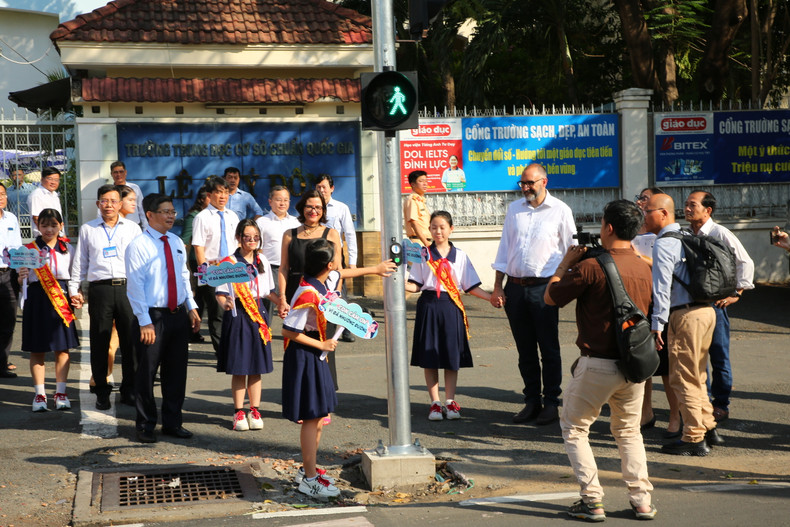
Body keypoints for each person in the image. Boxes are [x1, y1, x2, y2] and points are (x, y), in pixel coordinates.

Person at [544, 200, 656, 522]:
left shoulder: (591, 266)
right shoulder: (643, 266)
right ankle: (642, 501)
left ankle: (592, 500)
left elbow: (551, 297)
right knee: (629, 432)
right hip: (634, 364)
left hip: (597, 363)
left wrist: (564, 265)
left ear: (608, 228)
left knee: (575, 429)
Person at [282, 238, 394, 499]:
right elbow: (289, 330)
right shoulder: (307, 293)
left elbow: (343, 272)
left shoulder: (324, 279)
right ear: (328, 263)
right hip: (306, 355)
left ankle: (308, 470)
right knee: (311, 417)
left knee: (320, 414)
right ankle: (309, 479)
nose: (338, 265)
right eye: (336, 259)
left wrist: (375, 269)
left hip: (318, 354)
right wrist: (321, 342)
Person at [490, 163, 575, 426]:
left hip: (545, 287)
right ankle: (531, 401)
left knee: (548, 348)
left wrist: (559, 284)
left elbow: (572, 251)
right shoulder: (515, 210)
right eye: (522, 183)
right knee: (524, 349)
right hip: (515, 287)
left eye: (530, 183)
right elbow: (505, 249)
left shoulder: (560, 210)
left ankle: (551, 403)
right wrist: (497, 285)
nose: (526, 188)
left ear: (544, 182)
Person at [643, 193, 723, 456]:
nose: (644, 215)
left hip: (685, 316)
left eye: (648, 211)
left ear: (664, 214)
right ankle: (707, 426)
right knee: (697, 375)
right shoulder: (687, 237)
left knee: (682, 379)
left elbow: (661, 289)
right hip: (705, 312)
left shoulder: (665, 243)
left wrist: (658, 324)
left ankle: (693, 438)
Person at [125, 194, 201, 443]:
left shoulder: (177, 241)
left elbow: (183, 277)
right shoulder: (139, 245)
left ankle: (172, 423)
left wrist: (191, 306)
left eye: (173, 212)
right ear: (150, 215)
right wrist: (145, 321)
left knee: (176, 372)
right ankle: (146, 425)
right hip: (152, 317)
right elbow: (134, 287)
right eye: (165, 211)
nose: (170, 216)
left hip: (177, 315)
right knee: (146, 373)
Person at [405, 211, 491, 420]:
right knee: (430, 355)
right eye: (434, 227)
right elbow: (415, 284)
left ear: (451, 229)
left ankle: (450, 402)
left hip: (451, 306)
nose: (438, 231)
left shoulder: (460, 256)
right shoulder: (423, 254)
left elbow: (470, 286)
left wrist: (491, 298)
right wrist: (395, 282)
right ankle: (435, 403)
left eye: (442, 227)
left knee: (451, 356)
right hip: (428, 306)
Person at [70, 184, 142, 410]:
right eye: (104, 201)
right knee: (99, 341)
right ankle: (101, 390)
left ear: (120, 204)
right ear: (97, 204)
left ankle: (130, 390)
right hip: (99, 290)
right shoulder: (88, 229)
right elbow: (80, 262)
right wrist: (74, 289)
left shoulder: (133, 229)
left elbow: (141, 262)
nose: (108, 205)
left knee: (131, 342)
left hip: (128, 289)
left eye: (113, 201)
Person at [684, 190, 754, 423]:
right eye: (686, 204)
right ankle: (702, 401)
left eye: (692, 205)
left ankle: (721, 403)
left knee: (719, 356)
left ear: (708, 210)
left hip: (715, 305)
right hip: (692, 306)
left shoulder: (719, 233)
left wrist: (738, 292)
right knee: (696, 358)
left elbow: (744, 261)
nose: (687, 209)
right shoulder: (684, 234)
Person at [216, 219, 281, 431]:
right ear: (238, 238)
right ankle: (238, 412)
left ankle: (255, 409)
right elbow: (220, 292)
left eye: (255, 237)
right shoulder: (229, 263)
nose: (252, 241)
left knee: (256, 367)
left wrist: (281, 303)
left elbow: (267, 291)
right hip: (238, 314)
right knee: (240, 367)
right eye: (247, 237)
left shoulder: (262, 259)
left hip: (259, 313)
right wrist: (224, 302)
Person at [18, 208, 82, 411]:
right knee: (37, 349)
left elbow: (74, 275)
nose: (49, 229)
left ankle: (61, 393)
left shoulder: (68, 248)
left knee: (62, 348)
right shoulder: (28, 249)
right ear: (38, 226)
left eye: (54, 225)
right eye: (45, 225)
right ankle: (40, 395)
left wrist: (76, 294)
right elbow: (21, 281)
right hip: (37, 299)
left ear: (61, 226)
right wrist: (21, 277)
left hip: (61, 298)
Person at [279, 190, 343, 392]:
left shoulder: (331, 234)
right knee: (297, 343)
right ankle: (301, 394)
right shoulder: (290, 234)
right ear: (301, 208)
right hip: (297, 295)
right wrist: (282, 298)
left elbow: (338, 270)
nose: (313, 211)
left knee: (324, 343)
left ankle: (324, 393)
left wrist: (335, 297)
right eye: (309, 206)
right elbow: (283, 268)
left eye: (318, 207)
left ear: (323, 210)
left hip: (324, 296)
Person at [634, 187, 681, 438]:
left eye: (646, 202)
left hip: (663, 307)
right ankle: (646, 412)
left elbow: (665, 282)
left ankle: (676, 416)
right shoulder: (636, 229)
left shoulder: (668, 238)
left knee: (667, 366)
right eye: (640, 200)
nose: (641, 205)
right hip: (640, 301)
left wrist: (659, 322)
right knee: (644, 363)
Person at [191, 176, 240, 353]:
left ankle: (234, 349)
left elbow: (238, 243)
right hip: (214, 270)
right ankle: (222, 353)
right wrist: (205, 275)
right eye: (219, 192)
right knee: (217, 313)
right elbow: (198, 247)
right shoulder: (202, 217)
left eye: (226, 192)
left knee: (235, 308)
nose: (223, 196)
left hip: (233, 270)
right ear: (210, 195)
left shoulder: (232, 216)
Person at [315, 174, 358, 343]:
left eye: (324, 187)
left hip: (336, 256)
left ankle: (345, 329)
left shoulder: (341, 208)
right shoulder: (311, 207)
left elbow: (350, 234)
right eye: (318, 187)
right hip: (316, 256)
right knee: (318, 292)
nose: (321, 190)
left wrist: (353, 262)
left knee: (339, 292)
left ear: (332, 188)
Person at [256, 185, 300, 317]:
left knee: (294, 304)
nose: (282, 203)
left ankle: (294, 335)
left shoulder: (296, 222)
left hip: (292, 269)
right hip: (270, 268)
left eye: (286, 200)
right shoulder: (262, 222)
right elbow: (257, 248)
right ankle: (264, 335)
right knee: (266, 305)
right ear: (270, 201)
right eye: (278, 199)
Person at [180, 186, 210, 343]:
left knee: (202, 298)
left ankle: (194, 330)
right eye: (209, 197)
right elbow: (185, 241)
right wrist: (184, 265)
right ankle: (192, 330)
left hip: (210, 261)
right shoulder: (194, 216)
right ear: (202, 199)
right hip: (196, 261)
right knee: (198, 297)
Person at [0, 183, 22, 379]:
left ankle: (2, 363)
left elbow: (18, 245)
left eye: (3, 194)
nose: (1, 197)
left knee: (8, 320)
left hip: (8, 274)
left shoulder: (12, 218)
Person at [108, 161, 146, 228]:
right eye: (115, 172)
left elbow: (142, 209)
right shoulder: (108, 191)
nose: (118, 175)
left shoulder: (134, 188)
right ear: (111, 174)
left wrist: (145, 227)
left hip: (135, 226)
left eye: (121, 171)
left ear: (125, 172)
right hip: (115, 226)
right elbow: (102, 211)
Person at [28, 167, 62, 237]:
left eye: (56, 180)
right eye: (50, 179)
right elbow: (36, 218)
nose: (53, 182)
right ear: (42, 179)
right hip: (44, 236)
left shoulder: (55, 195)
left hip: (56, 235)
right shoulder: (37, 195)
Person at [403, 170, 431, 247]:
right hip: (419, 242)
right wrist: (426, 243)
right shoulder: (412, 200)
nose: (425, 183)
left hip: (425, 241)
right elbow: (414, 223)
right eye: (421, 181)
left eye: (426, 181)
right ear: (413, 184)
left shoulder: (420, 200)